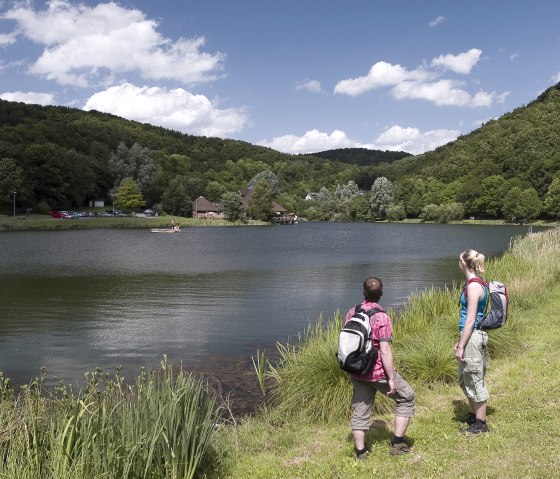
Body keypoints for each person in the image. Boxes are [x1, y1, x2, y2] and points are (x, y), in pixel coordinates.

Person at [346, 276, 416, 459]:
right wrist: (391, 378)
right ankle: (398, 443)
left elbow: (348, 344)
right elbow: (384, 350)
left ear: (363, 292)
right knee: (407, 397)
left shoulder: (352, 312)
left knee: (360, 411)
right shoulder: (382, 317)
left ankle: (361, 452)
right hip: (377, 372)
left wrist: (349, 370)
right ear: (381, 294)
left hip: (357, 370)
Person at [455, 249, 490, 434]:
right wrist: (460, 341)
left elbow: (470, 320)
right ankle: (473, 414)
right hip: (469, 335)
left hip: (474, 336)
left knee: (475, 377)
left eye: (459, 260)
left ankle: (481, 424)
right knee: (465, 378)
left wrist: (462, 345)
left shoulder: (474, 286)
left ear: (463, 263)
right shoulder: (473, 283)